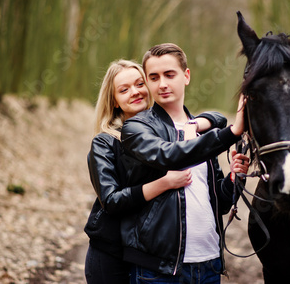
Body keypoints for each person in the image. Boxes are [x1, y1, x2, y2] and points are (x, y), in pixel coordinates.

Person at [84, 60, 234, 284]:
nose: (135, 92)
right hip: (112, 249)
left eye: (139, 84)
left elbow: (218, 119)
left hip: (150, 251)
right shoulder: (105, 142)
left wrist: (195, 124)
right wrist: (165, 183)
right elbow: (111, 200)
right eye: (124, 90)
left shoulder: (166, 132)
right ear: (113, 100)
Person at [120, 43, 248, 284]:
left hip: (209, 265)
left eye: (170, 74)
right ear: (147, 83)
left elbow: (218, 202)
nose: (163, 84)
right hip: (158, 270)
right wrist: (231, 132)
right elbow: (171, 155)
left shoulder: (203, 132)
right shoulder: (137, 128)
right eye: (154, 77)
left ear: (186, 76)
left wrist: (234, 178)